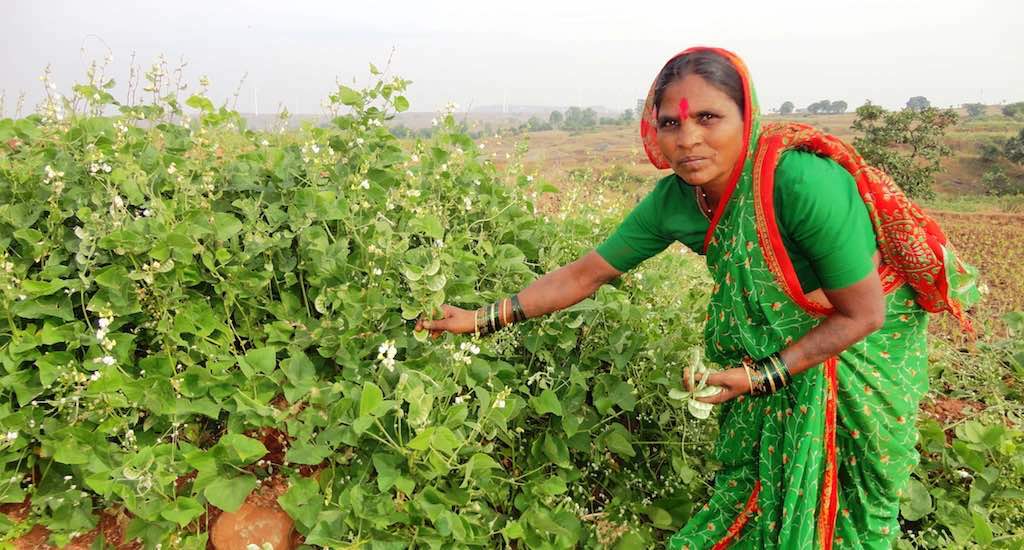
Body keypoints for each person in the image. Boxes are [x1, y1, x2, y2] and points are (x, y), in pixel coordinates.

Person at [415, 47, 978, 549]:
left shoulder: (799, 181)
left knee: (852, 497)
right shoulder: (674, 201)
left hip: (860, 348)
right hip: (781, 350)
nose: (688, 139)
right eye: (670, 123)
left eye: (708, 117)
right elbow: (584, 275)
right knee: (761, 485)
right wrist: (480, 319)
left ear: (746, 118)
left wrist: (762, 376)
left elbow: (864, 314)